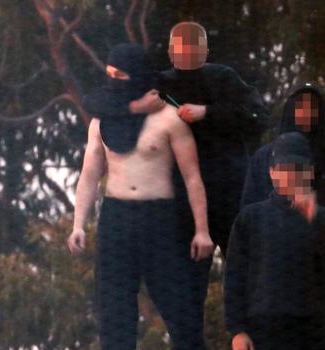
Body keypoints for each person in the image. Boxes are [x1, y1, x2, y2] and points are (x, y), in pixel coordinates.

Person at [84, 21, 268, 326]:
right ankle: (188, 347)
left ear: (205, 51)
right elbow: (96, 101)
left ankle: (250, 340)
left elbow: (257, 117)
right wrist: (135, 106)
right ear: (170, 52)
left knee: (244, 271)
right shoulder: (162, 84)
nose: (184, 56)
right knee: (186, 284)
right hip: (183, 201)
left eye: (192, 49)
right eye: (178, 50)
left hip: (229, 191)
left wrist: (207, 113)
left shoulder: (223, 78)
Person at [69, 43, 214, 350]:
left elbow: (192, 177)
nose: (114, 81)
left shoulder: (168, 119)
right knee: (115, 316)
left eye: (120, 75)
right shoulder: (101, 121)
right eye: (109, 75)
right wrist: (78, 224)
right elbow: (89, 176)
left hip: (159, 219)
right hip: (116, 217)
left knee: (182, 315)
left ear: (137, 76)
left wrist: (202, 230)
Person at [225, 132, 325, 350]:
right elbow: (235, 277)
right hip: (264, 334)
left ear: (310, 172)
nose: (291, 175)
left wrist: (314, 219)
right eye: (284, 168)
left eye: (298, 168)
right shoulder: (250, 218)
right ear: (272, 171)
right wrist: (237, 330)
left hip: (317, 335)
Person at [241, 82, 325, 231]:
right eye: (300, 105)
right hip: (272, 242)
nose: (306, 112)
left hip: (322, 244)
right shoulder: (264, 158)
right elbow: (249, 210)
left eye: (312, 106)